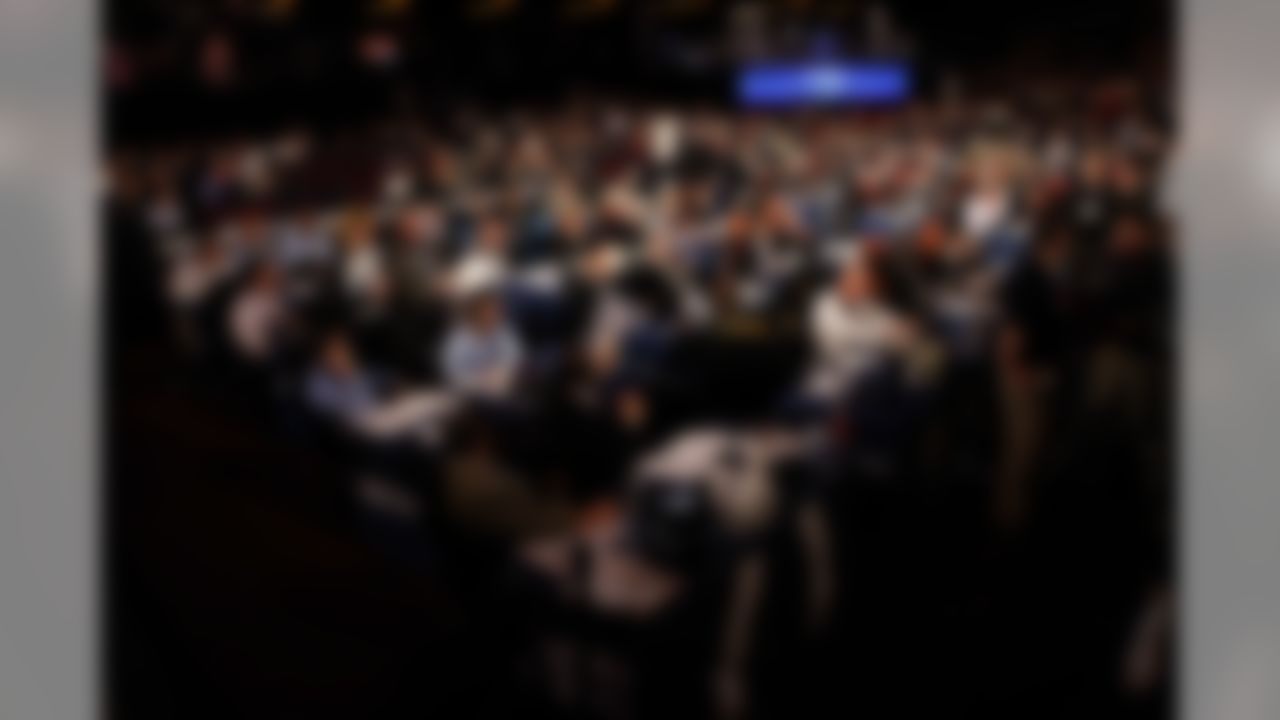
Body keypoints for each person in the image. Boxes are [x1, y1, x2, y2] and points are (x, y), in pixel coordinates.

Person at [439, 291, 524, 402]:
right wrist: (483, 382)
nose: (494, 316)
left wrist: (502, 373)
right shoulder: (458, 342)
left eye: (496, 312)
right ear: (473, 315)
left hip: (504, 384)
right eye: (487, 313)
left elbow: (514, 357)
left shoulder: (502, 330)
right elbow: (454, 377)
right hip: (473, 394)